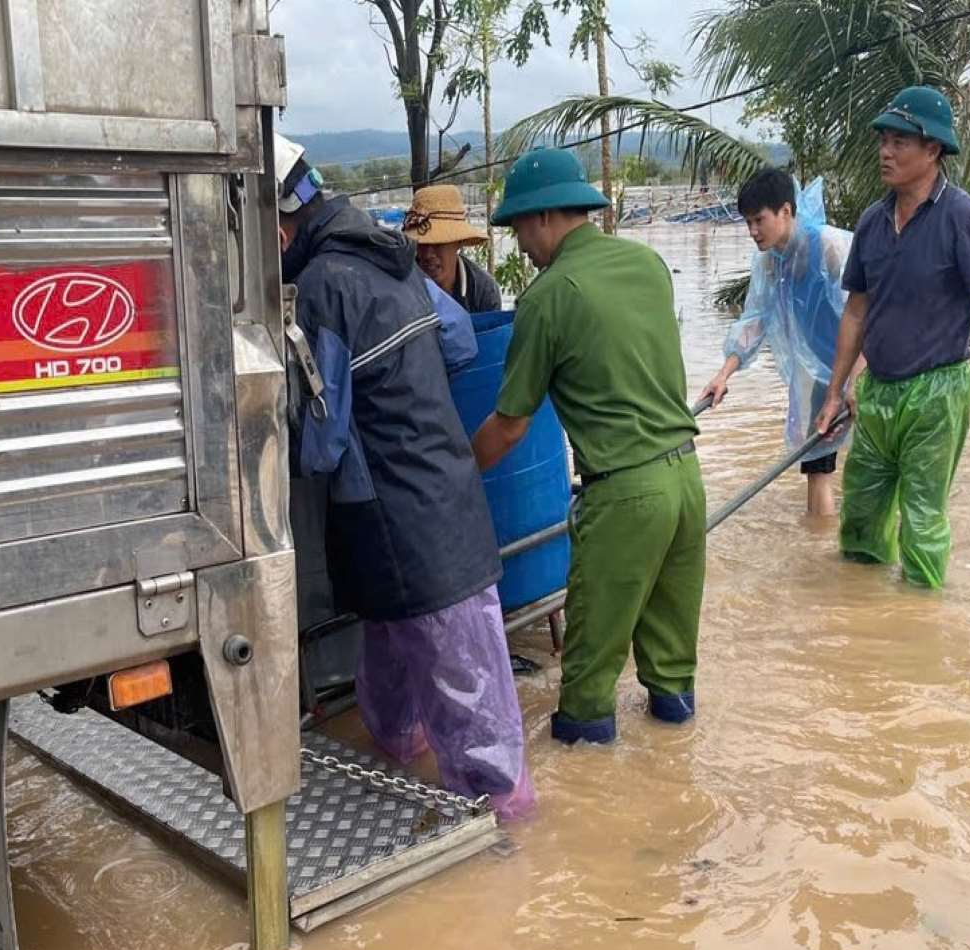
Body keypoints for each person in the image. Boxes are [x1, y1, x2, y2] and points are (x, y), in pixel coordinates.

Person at [273, 133, 534, 819]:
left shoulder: (324, 283)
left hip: (400, 525)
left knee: (471, 721)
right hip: (442, 496)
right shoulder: (391, 256)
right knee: (401, 676)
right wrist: (404, 388)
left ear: (276, 225)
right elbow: (458, 339)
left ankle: (510, 844)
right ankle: (412, 787)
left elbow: (324, 443)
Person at [472, 148, 706, 745]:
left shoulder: (548, 297)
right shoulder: (648, 264)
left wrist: (454, 473)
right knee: (672, 669)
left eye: (520, 227)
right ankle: (674, 782)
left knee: (586, 684)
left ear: (546, 217)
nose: (519, 244)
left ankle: (589, 811)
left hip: (625, 495)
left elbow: (509, 425)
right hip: (685, 482)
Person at [814, 86, 970, 590]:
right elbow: (856, 313)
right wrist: (835, 390)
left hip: (938, 392)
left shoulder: (964, 218)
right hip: (877, 390)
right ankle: (864, 618)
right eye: (883, 139)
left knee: (922, 519)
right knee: (860, 510)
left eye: (901, 141)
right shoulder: (872, 222)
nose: (886, 151)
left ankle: (922, 626)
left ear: (933, 150)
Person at [700, 169, 853, 515]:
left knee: (871, 468)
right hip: (817, 375)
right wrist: (724, 374)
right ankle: (817, 554)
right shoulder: (770, 263)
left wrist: (854, 380)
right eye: (747, 223)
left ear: (786, 211)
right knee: (816, 467)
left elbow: (867, 316)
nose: (752, 231)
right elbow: (754, 320)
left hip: (860, 366)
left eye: (759, 220)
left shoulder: (829, 246)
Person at [404, 184, 502, 314]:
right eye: (422, 244)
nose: (428, 254)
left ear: (458, 242)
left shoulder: (482, 290)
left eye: (438, 243)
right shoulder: (401, 285)